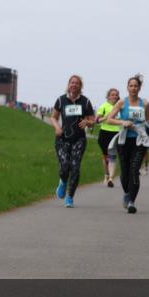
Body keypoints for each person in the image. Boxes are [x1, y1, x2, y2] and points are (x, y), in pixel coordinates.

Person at [105, 74, 149, 214]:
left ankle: (131, 202)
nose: (133, 88)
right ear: (127, 87)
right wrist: (122, 122)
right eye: (131, 86)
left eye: (136, 86)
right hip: (124, 141)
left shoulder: (145, 103)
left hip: (139, 141)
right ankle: (126, 193)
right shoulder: (122, 103)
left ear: (139, 88)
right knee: (125, 172)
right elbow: (109, 119)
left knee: (134, 170)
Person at [48, 75, 96, 208]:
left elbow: (93, 122)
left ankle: (70, 197)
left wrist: (87, 122)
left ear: (81, 86)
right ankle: (63, 181)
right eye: (72, 83)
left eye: (77, 83)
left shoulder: (85, 102)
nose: (74, 85)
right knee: (64, 167)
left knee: (75, 168)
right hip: (62, 139)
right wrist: (57, 127)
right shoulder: (61, 100)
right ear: (68, 84)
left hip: (79, 140)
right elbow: (53, 117)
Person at [95, 88, 121, 187]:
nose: (114, 96)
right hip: (104, 133)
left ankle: (111, 178)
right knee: (106, 156)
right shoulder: (104, 106)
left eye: (116, 95)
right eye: (112, 95)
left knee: (112, 156)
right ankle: (106, 174)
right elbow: (97, 120)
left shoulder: (120, 106)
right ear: (108, 96)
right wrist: (107, 117)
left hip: (116, 133)